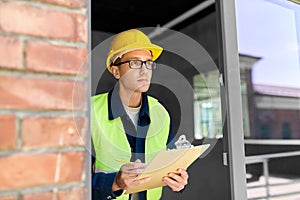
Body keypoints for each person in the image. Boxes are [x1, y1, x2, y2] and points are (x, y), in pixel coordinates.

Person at [91, 29, 189, 200]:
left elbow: (171, 165)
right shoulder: (89, 111)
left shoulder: (161, 113)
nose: (145, 71)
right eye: (135, 63)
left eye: (148, 63)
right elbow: (69, 178)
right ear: (116, 71)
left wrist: (178, 180)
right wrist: (114, 182)